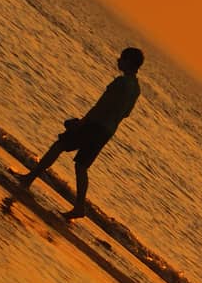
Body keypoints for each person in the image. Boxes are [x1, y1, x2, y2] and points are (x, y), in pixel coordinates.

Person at [16, 46, 144, 218]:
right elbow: (125, 114)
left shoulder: (120, 82)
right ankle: (79, 207)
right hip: (107, 131)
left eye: (122, 58)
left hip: (95, 125)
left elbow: (101, 106)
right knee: (82, 166)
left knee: (60, 144)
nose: (118, 60)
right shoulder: (136, 89)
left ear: (129, 62)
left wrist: (81, 123)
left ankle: (29, 179)